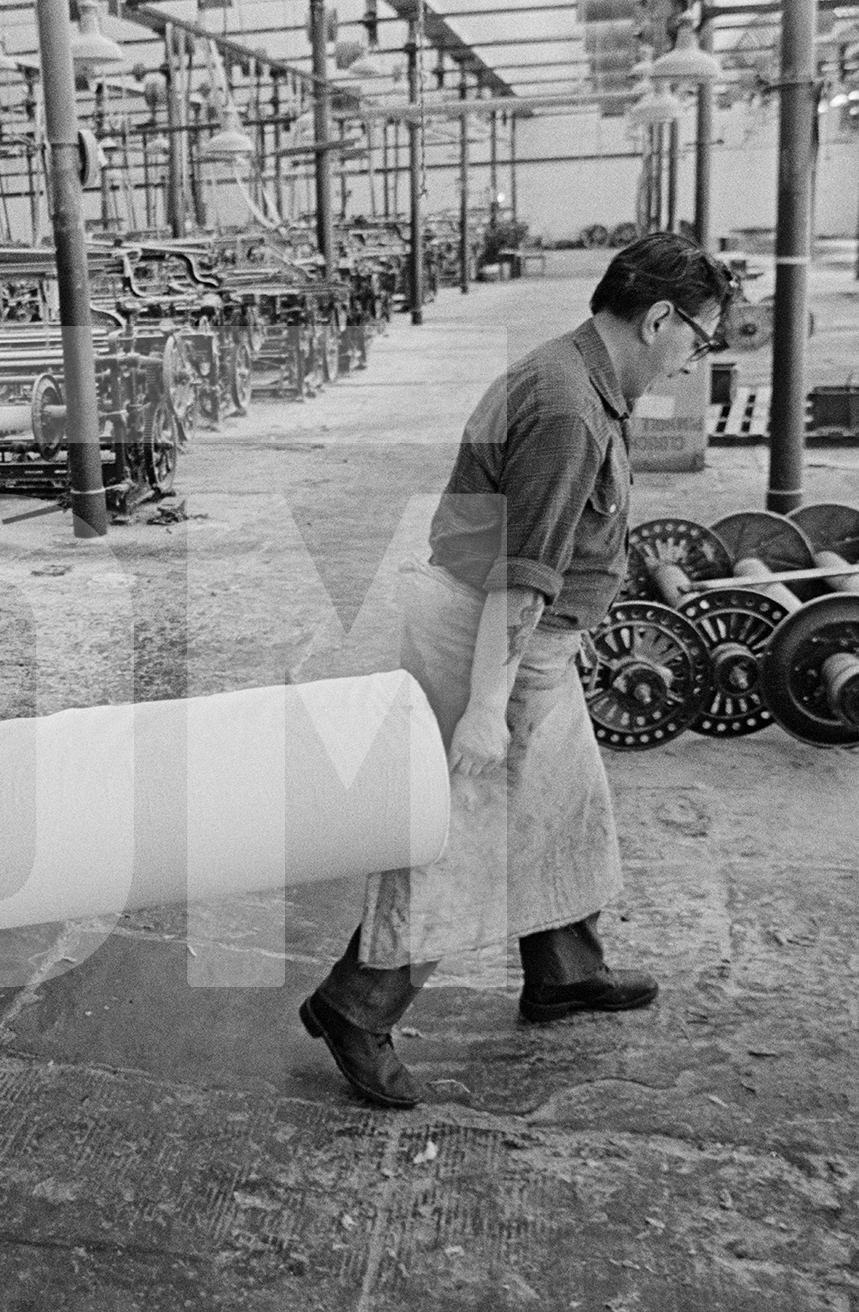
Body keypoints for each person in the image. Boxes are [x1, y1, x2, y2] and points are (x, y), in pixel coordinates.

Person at [300, 233, 739, 1108]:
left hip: (529, 636)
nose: (694, 362)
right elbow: (521, 571)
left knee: (565, 804)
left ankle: (565, 969)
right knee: (456, 833)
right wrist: (483, 708)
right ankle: (357, 1004)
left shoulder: (580, 378)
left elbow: (559, 539)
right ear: (658, 317)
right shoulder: (568, 410)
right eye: (698, 339)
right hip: (492, 636)